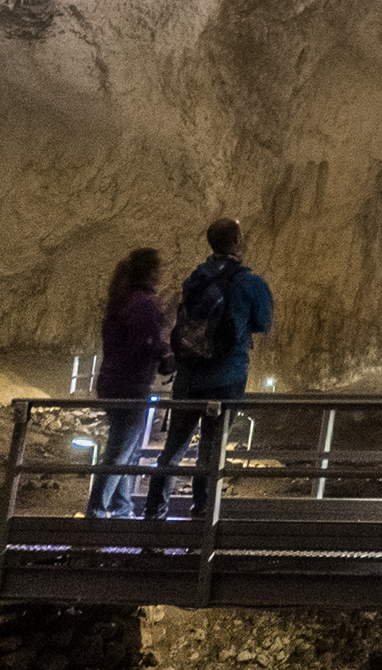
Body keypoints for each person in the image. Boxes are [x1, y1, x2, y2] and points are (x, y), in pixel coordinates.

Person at [148, 218, 276, 519]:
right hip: (227, 378)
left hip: (190, 377)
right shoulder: (250, 283)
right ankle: (202, 518)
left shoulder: (196, 278)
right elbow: (263, 322)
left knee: (172, 450)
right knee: (210, 452)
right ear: (237, 242)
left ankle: (153, 517)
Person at [89, 247, 168, 523]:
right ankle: (97, 511)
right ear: (150, 272)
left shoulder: (120, 301)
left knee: (126, 449)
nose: (162, 274)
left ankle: (122, 508)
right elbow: (141, 345)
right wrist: (163, 353)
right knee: (120, 451)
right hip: (130, 385)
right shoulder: (143, 304)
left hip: (112, 381)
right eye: (159, 268)